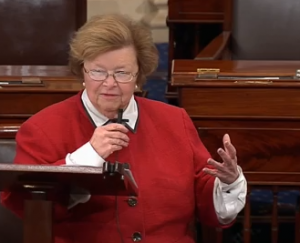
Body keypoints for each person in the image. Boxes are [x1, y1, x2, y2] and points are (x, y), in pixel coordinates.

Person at [1, 14, 247, 243]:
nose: (109, 83)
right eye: (98, 72)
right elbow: (29, 205)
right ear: (82, 72)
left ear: (139, 75)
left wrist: (228, 182)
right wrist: (88, 157)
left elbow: (208, 202)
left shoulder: (175, 121)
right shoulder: (42, 128)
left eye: (122, 73)